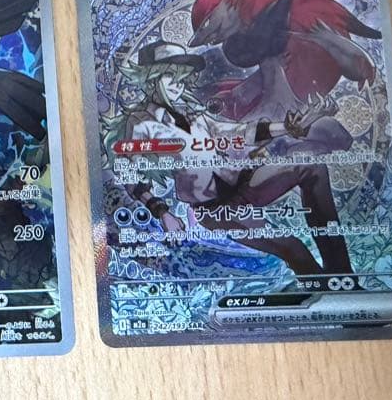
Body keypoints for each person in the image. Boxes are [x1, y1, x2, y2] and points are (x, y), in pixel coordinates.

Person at [104, 41, 354, 277]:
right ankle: (326, 291)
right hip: (215, 209)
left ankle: (343, 275)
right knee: (293, 248)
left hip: (246, 182)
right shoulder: (141, 124)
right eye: (171, 76)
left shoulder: (192, 113)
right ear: (151, 78)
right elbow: (131, 175)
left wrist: (286, 128)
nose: (178, 85)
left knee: (312, 167)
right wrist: (162, 213)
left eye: (182, 78)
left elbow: (235, 132)